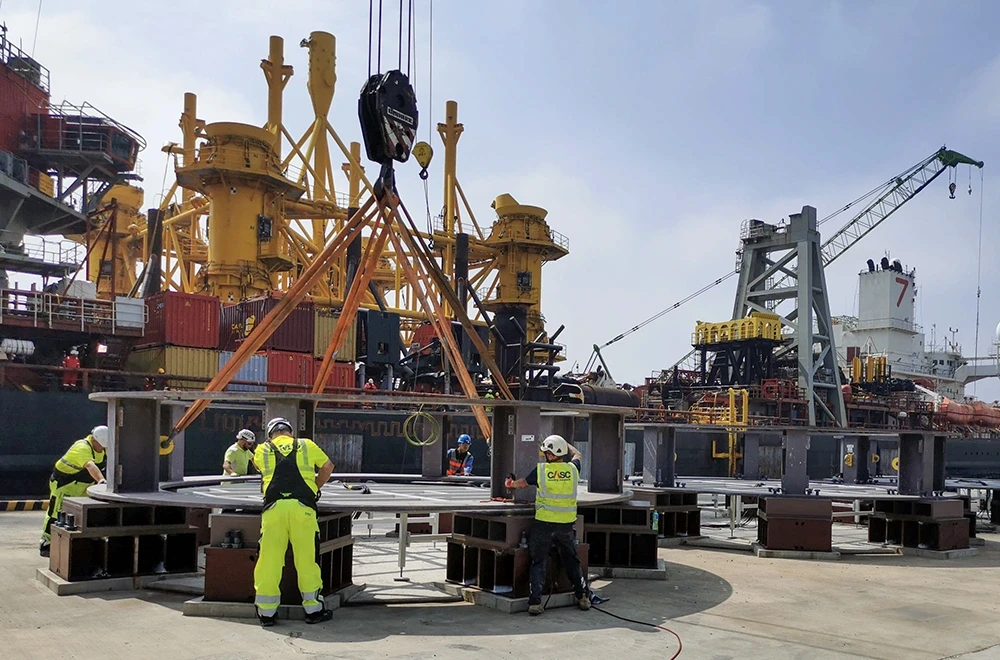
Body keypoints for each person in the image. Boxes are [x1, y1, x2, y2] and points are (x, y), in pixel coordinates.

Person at [251, 417, 335, 627]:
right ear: (290, 431)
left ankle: (267, 613)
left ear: (271, 434)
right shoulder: (307, 445)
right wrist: (314, 487)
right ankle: (313, 610)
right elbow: (327, 466)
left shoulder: (262, 449)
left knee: (269, 561)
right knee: (307, 560)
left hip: (274, 510)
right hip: (303, 510)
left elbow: (258, 467)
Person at [505, 434, 590, 616]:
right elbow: (578, 455)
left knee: (539, 561)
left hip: (544, 524)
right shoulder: (573, 469)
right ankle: (582, 596)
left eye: (545, 452)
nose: (544, 455)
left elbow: (522, 484)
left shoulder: (541, 471)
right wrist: (566, 444)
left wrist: (510, 483)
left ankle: (535, 603)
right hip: (566, 525)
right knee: (571, 560)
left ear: (550, 455)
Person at [40, 425, 108, 557]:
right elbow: (90, 465)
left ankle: (79, 542)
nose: (103, 448)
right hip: (64, 485)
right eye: (101, 445)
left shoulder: (102, 450)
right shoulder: (82, 447)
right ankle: (47, 543)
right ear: (95, 440)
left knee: (83, 514)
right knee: (56, 513)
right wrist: (101, 480)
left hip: (82, 486)